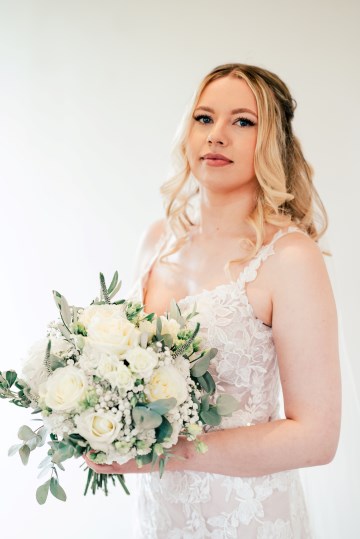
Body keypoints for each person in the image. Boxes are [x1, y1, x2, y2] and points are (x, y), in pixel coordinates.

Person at [85, 63, 341, 538]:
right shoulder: (156, 241)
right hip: (160, 515)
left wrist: (163, 453)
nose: (217, 135)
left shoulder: (289, 258)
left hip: (248, 517)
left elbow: (317, 438)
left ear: (273, 144)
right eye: (204, 118)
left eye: (242, 121)